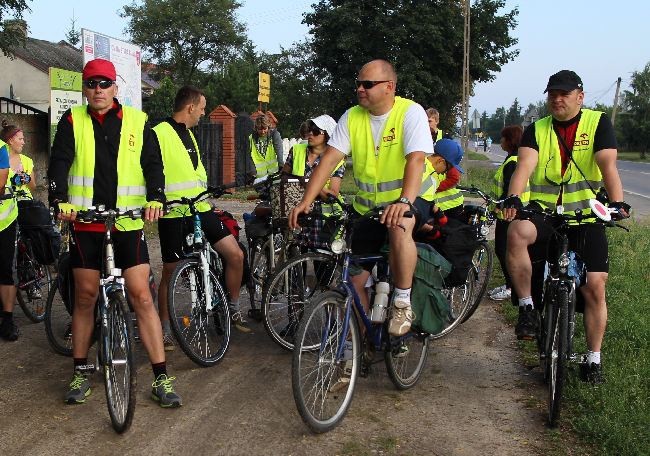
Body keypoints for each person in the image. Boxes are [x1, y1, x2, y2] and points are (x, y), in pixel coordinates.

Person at [48, 58, 182, 407]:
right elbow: (60, 161)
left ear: (115, 88)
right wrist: (58, 198)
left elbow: (153, 165)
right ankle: (80, 371)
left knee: (140, 295)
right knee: (85, 296)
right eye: (91, 83)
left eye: (104, 83)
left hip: (127, 222)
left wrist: (156, 197)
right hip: (85, 221)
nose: (97, 90)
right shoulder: (73, 120)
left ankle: (161, 378)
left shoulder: (138, 122)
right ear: (84, 88)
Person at [502, 70, 630, 384]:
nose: (557, 99)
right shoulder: (537, 129)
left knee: (595, 287)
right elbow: (525, 166)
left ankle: (593, 360)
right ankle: (528, 308)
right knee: (517, 233)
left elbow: (607, 165)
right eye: (552, 94)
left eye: (565, 93)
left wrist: (616, 203)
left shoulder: (597, 123)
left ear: (580, 96)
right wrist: (514, 197)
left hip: (587, 218)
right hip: (546, 216)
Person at [289, 59, 433, 337]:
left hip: (412, 200)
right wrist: (306, 201)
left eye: (368, 84)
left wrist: (404, 201)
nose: (360, 89)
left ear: (389, 87)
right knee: (353, 281)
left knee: (399, 226)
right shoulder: (353, 116)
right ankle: (365, 339)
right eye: (358, 84)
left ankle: (402, 301)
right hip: (368, 208)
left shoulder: (410, 113)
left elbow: (415, 160)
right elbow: (328, 160)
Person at [153, 86, 249, 342]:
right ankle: (163, 327)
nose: (204, 113)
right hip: (173, 213)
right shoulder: (158, 133)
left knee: (236, 255)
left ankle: (233, 307)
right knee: (170, 272)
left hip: (200, 208)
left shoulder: (190, 135)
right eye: (203, 107)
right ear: (191, 107)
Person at [282, 115, 345, 249]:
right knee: (296, 258)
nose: (310, 134)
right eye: (309, 130)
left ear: (327, 135)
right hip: (298, 212)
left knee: (321, 261)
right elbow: (284, 177)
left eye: (316, 131)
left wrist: (311, 183)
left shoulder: (337, 160)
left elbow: (332, 194)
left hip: (322, 219)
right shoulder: (296, 151)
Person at [488, 125, 526, 302]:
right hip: (511, 214)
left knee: (504, 251)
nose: (501, 141)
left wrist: (498, 206)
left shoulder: (513, 162)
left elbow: (509, 190)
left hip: (509, 215)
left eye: (503, 138)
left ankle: (512, 287)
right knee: (505, 251)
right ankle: (511, 284)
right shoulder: (513, 158)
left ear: (510, 140)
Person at [426, 109, 464, 220]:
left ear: (436, 121)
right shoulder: (420, 138)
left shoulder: (445, 140)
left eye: (429, 121)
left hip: (446, 204)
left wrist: (433, 188)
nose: (426, 124)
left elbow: (454, 176)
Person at [0, 131, 19, 341]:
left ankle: (8, 319)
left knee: (5, 269)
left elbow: (0, 181)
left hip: (3, 219)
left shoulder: (0, 148)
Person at [249, 114, 284, 183]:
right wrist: (252, 172)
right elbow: (249, 156)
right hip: (258, 177)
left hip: (274, 174)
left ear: (269, 127)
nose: (262, 132)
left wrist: (281, 167)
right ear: (256, 128)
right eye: (260, 129)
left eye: (265, 129)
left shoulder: (274, 135)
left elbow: (279, 151)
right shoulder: (251, 138)